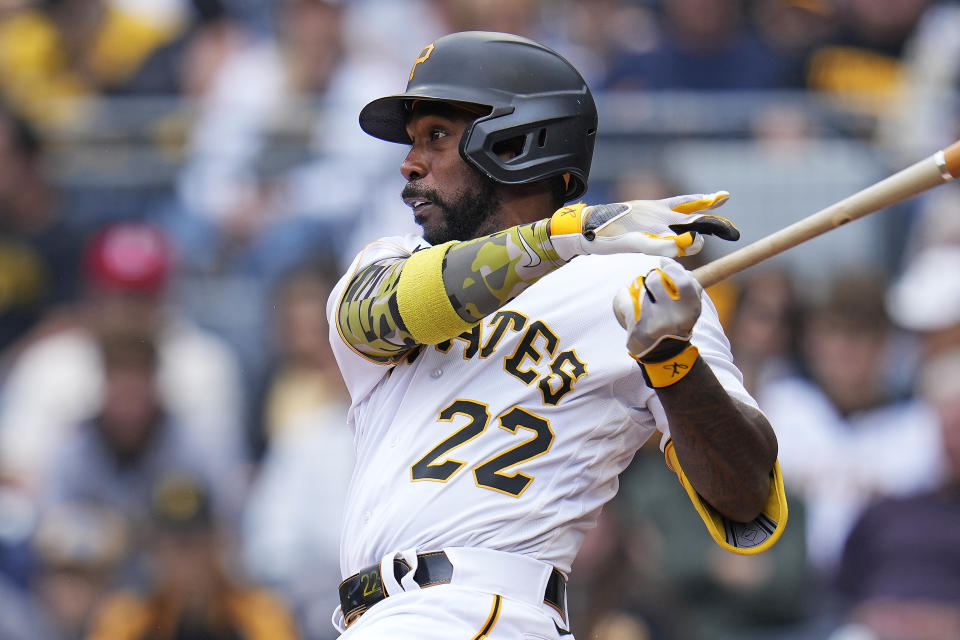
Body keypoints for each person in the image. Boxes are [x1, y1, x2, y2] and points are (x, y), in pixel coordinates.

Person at [326, 31, 785, 639]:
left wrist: (674, 360)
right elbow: (374, 315)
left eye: (436, 136)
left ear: (516, 141)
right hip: (376, 617)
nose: (410, 164)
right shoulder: (389, 264)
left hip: (482, 606)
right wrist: (562, 237)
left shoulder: (636, 285)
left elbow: (746, 498)